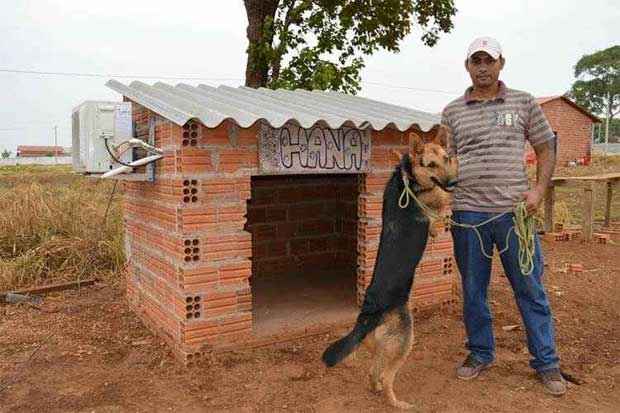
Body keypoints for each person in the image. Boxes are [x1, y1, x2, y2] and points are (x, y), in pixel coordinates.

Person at [441, 37, 565, 396]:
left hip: (514, 214)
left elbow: (546, 146)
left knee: (530, 288)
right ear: (467, 66)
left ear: (501, 63)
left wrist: (539, 190)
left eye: (488, 60)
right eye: (475, 61)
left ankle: (546, 361)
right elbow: (447, 161)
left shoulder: (523, 102)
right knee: (473, 291)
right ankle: (480, 353)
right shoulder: (452, 111)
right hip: (468, 215)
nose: (482, 67)